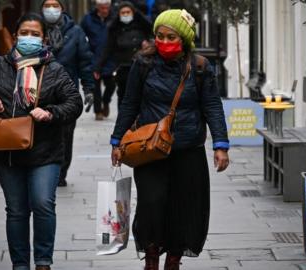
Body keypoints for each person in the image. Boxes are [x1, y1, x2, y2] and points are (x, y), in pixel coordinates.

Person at [110, 9, 230, 270]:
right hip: (150, 150)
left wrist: (221, 145)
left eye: (171, 36)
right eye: (160, 36)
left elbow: (212, 106)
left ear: (185, 39)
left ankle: (173, 260)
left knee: (185, 208)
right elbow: (129, 103)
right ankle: (152, 257)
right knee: (151, 204)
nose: (164, 41)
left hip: (188, 150)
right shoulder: (143, 63)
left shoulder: (199, 67)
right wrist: (117, 140)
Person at [0, 13, 83, 270]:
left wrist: (51, 113)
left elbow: (74, 103)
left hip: (45, 151)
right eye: (25, 33)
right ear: (14, 36)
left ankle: (43, 262)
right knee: (16, 211)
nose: (29, 38)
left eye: (35, 34)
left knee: (43, 204)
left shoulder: (54, 70)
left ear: (43, 38)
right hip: (7, 152)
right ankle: (20, 264)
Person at [40, 0, 95, 187]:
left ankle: (60, 172)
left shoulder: (75, 32)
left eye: (55, 5)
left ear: (62, 8)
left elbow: (85, 62)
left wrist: (88, 89)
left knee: (66, 134)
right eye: (47, 5)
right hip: (40, 91)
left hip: (67, 93)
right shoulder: (37, 30)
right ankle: (42, 169)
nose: (51, 9)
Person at [94, 1, 153, 110]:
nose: (126, 14)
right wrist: (98, 67)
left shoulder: (141, 25)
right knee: (123, 95)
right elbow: (108, 49)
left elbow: (152, 28)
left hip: (140, 66)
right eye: (123, 12)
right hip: (122, 68)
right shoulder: (115, 28)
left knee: (140, 94)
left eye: (128, 12)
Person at [81, 0, 117, 120]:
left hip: (111, 58)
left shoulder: (115, 17)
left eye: (107, 7)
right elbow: (81, 36)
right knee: (95, 86)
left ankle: (106, 101)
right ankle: (98, 111)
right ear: (97, 7)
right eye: (102, 8)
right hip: (93, 57)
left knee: (111, 84)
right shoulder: (88, 19)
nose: (105, 10)